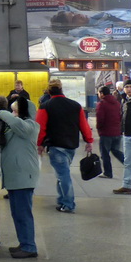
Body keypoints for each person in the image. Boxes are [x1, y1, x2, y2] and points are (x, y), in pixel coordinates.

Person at [0, 96, 41, 258]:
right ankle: (24, 243)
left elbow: (20, 126)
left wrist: (3, 113)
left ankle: (29, 246)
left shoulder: (31, 126)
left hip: (23, 175)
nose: (12, 114)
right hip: (15, 175)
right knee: (17, 213)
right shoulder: (13, 126)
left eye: (15, 111)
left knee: (23, 213)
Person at [36, 78, 94, 213]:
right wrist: (88, 141)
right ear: (62, 90)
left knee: (63, 175)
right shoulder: (75, 105)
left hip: (55, 145)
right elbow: (83, 125)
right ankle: (62, 199)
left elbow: (41, 127)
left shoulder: (46, 106)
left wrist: (40, 144)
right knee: (62, 173)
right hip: (71, 145)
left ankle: (68, 204)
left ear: (49, 91)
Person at [95, 85, 124, 179]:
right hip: (117, 132)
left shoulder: (102, 104)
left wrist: (99, 128)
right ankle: (130, 166)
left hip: (106, 133)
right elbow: (120, 116)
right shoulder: (116, 103)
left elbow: (100, 119)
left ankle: (108, 173)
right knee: (116, 151)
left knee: (105, 153)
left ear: (102, 94)